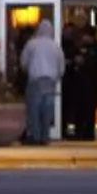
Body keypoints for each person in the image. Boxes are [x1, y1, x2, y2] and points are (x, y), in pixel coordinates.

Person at [19, 16, 65, 145]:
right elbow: (61, 67)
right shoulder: (56, 47)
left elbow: (23, 62)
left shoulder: (32, 44)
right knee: (47, 111)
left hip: (35, 80)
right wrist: (56, 77)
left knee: (34, 109)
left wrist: (27, 71)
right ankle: (45, 137)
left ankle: (35, 136)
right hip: (50, 82)